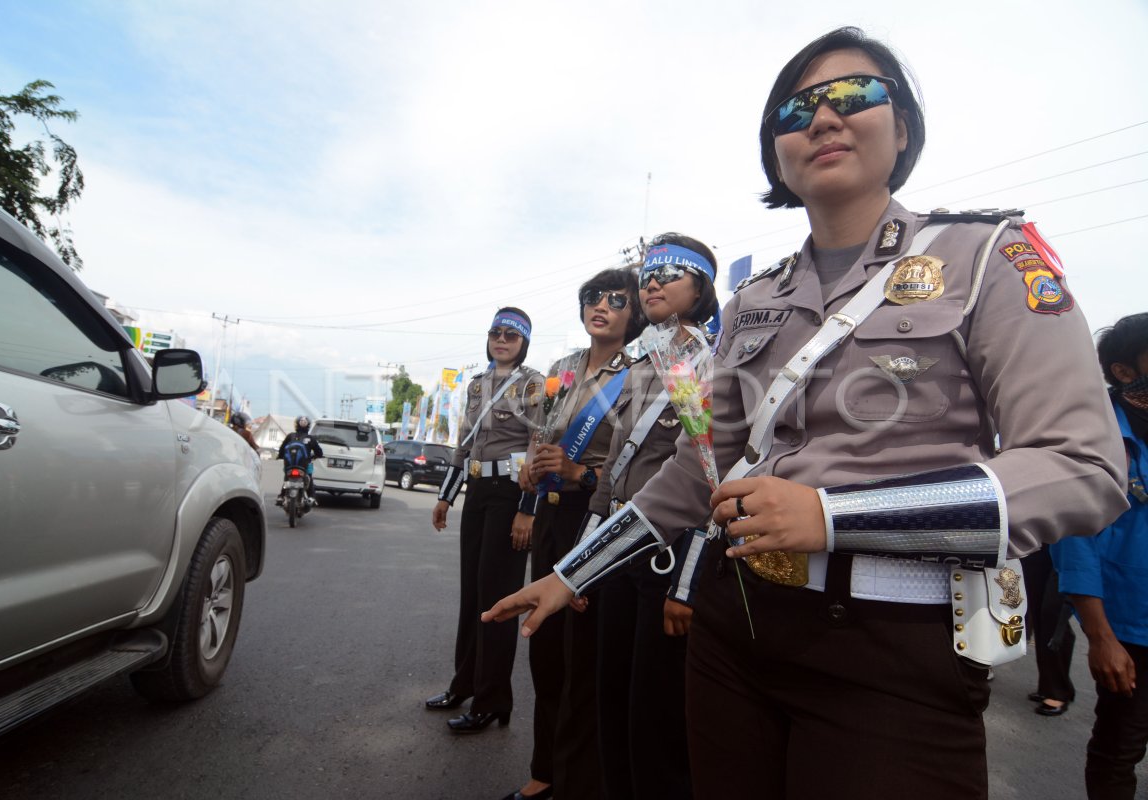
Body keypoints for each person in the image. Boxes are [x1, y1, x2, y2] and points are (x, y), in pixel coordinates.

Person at [484, 26, 1128, 800]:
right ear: (776, 153)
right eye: (796, 109)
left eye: (855, 95)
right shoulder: (759, 298)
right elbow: (701, 468)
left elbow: (1081, 468)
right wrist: (569, 573)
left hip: (893, 651)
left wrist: (832, 517)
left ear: (903, 128)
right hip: (737, 627)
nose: (823, 118)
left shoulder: (988, 257)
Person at [586, 233, 720, 800]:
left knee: (655, 717)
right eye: (648, 274)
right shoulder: (643, 359)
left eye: (671, 273)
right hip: (617, 546)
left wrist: (687, 583)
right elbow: (616, 466)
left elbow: (711, 476)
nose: (653, 283)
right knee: (609, 699)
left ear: (702, 287)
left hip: (664, 558)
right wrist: (583, 560)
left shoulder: (704, 362)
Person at [503, 267, 645, 800]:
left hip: (599, 518)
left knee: (583, 658)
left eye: (615, 299)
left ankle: (578, 780)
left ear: (632, 313)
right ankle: (545, 770)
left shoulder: (641, 372)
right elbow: (542, 436)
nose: (600, 306)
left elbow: (636, 464)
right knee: (545, 652)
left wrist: (578, 473)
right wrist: (528, 485)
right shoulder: (561, 368)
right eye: (592, 298)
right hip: (551, 516)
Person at [425, 308, 544, 735]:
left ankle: (494, 699)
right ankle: (464, 685)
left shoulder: (533, 383)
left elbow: (538, 446)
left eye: (512, 335)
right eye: (496, 333)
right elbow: (465, 442)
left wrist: (528, 509)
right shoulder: (476, 385)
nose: (502, 339)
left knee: (498, 600)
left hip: (510, 495)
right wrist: (445, 496)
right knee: (472, 595)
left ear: (524, 342)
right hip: (476, 492)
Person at [1053, 312, 1148, 800]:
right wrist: (1101, 637)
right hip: (1130, 630)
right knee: (1119, 751)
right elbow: (1075, 538)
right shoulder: (1091, 435)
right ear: (1125, 372)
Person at [1022, 546, 1076, 716]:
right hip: (1039, 541)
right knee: (1036, 609)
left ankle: (1058, 690)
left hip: (1071, 542)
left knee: (1053, 612)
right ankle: (1047, 684)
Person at [275, 416, 323, 506]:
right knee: (309, 478)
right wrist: (317, 456)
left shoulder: (290, 436)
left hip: (290, 465)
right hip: (305, 464)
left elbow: (282, 449)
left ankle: (281, 496)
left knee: (287, 477)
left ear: (296, 424)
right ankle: (312, 497)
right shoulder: (311, 438)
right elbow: (319, 452)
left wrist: (280, 456)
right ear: (308, 425)